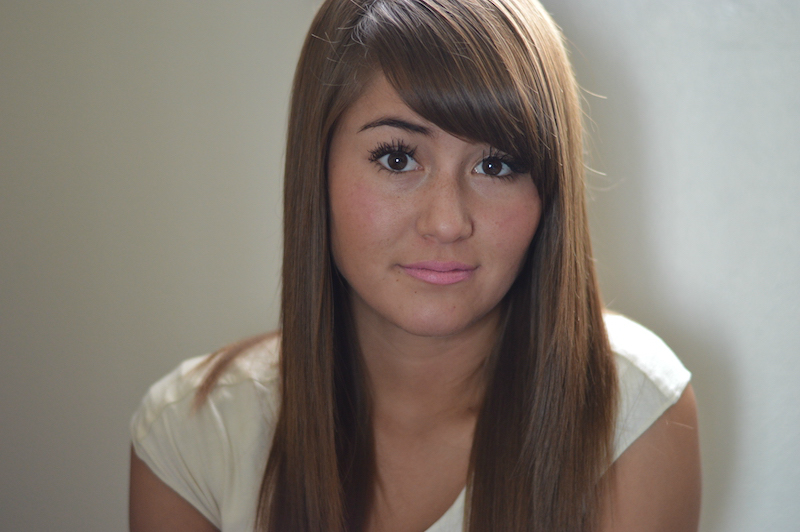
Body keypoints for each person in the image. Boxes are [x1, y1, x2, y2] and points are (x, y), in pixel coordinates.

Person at [129, 0, 701, 530]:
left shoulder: (631, 412)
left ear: (549, 190)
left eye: (496, 165)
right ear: (317, 167)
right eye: (398, 159)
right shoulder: (193, 435)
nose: (447, 222)